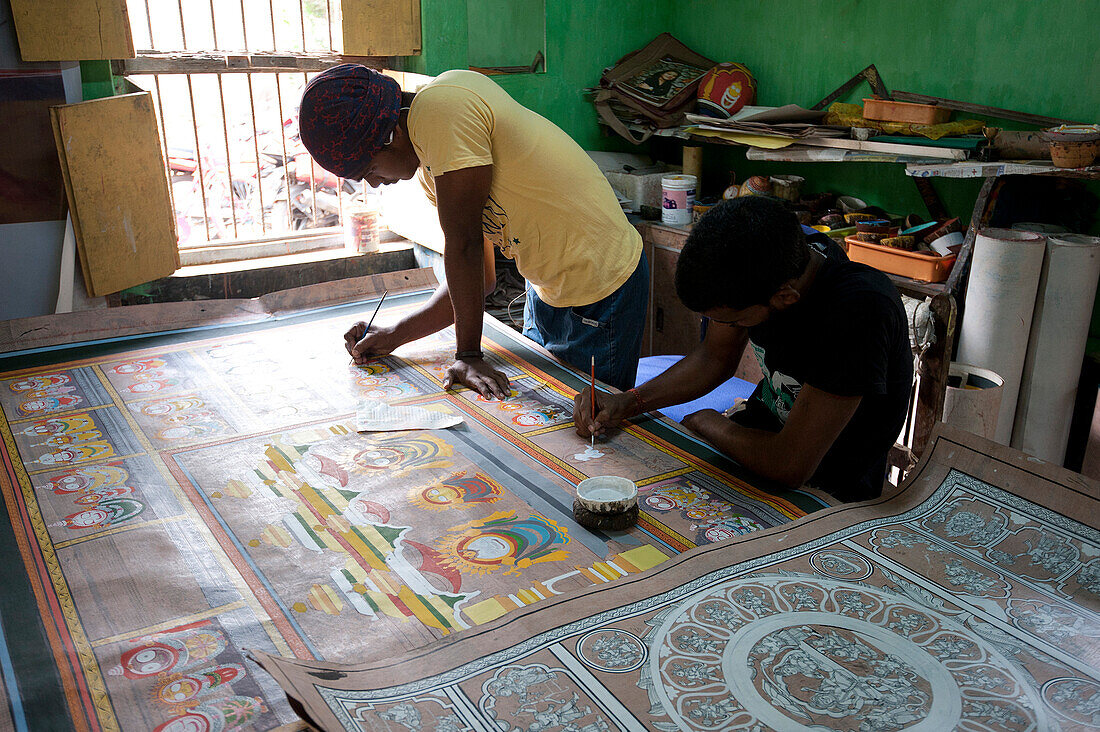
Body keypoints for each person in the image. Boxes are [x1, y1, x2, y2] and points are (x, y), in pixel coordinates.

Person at [297, 65, 647, 398]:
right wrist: (394, 335)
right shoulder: (434, 167)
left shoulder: (441, 109)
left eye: (369, 169)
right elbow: (481, 279)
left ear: (393, 134)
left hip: (601, 288)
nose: (375, 182)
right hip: (547, 291)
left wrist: (467, 353)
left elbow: (463, 246)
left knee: (592, 432)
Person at [574, 196, 912, 502]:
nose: (731, 329)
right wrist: (628, 402)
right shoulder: (775, 255)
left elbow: (789, 465)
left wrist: (709, 421)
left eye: (736, 323)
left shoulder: (858, 311)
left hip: (826, 488)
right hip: (753, 439)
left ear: (785, 298)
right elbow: (714, 356)